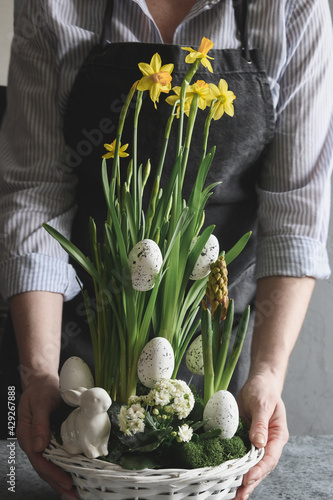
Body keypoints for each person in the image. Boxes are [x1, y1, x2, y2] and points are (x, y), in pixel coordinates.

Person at [0, 1, 332, 499]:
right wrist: (40, 370)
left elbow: (296, 213)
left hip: (211, 362)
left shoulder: (293, 8)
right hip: (74, 362)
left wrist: (266, 374)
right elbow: (35, 193)